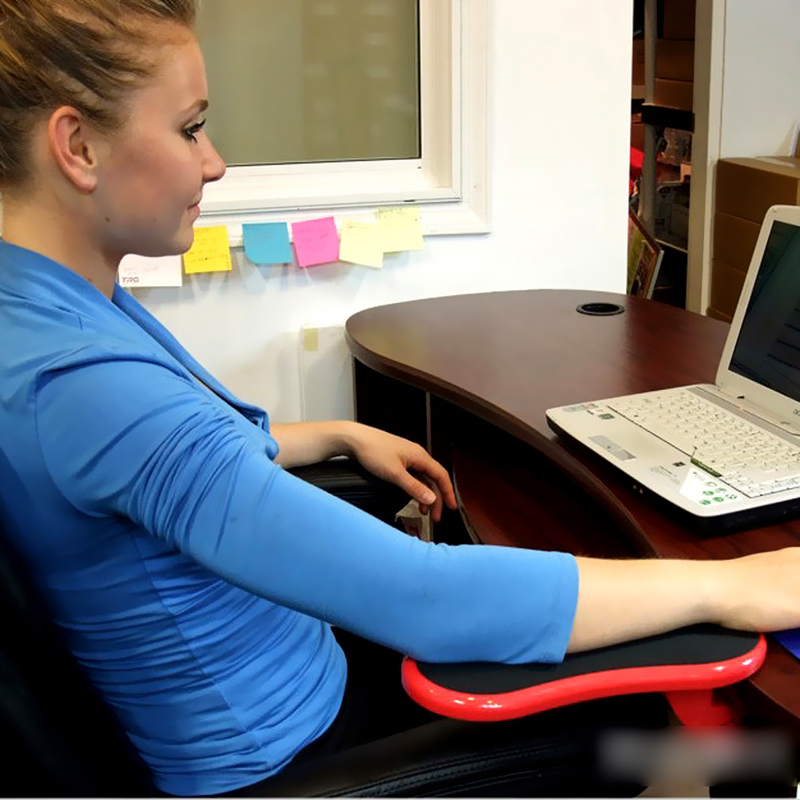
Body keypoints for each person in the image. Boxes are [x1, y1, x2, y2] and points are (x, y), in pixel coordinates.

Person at [1, 1, 800, 796]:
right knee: (661, 729)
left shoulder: (39, 315)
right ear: (77, 146)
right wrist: (730, 584)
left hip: (287, 678)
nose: (213, 162)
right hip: (289, 754)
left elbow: (164, 470)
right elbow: (423, 597)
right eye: (190, 128)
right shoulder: (85, 385)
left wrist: (332, 432)